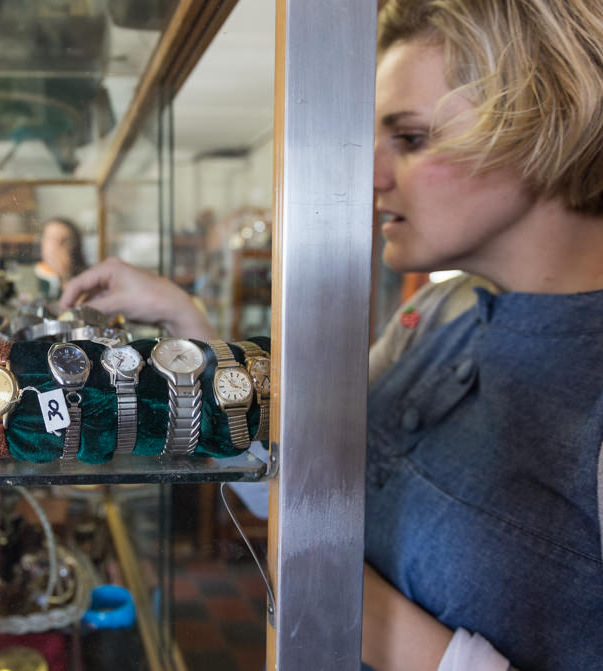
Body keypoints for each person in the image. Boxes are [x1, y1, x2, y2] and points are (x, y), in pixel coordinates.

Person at [60, 0, 603, 668]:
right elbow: (300, 477)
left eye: (410, 138)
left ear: (541, 119)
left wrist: (335, 591)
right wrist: (190, 334)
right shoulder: (437, 316)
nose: (370, 174)